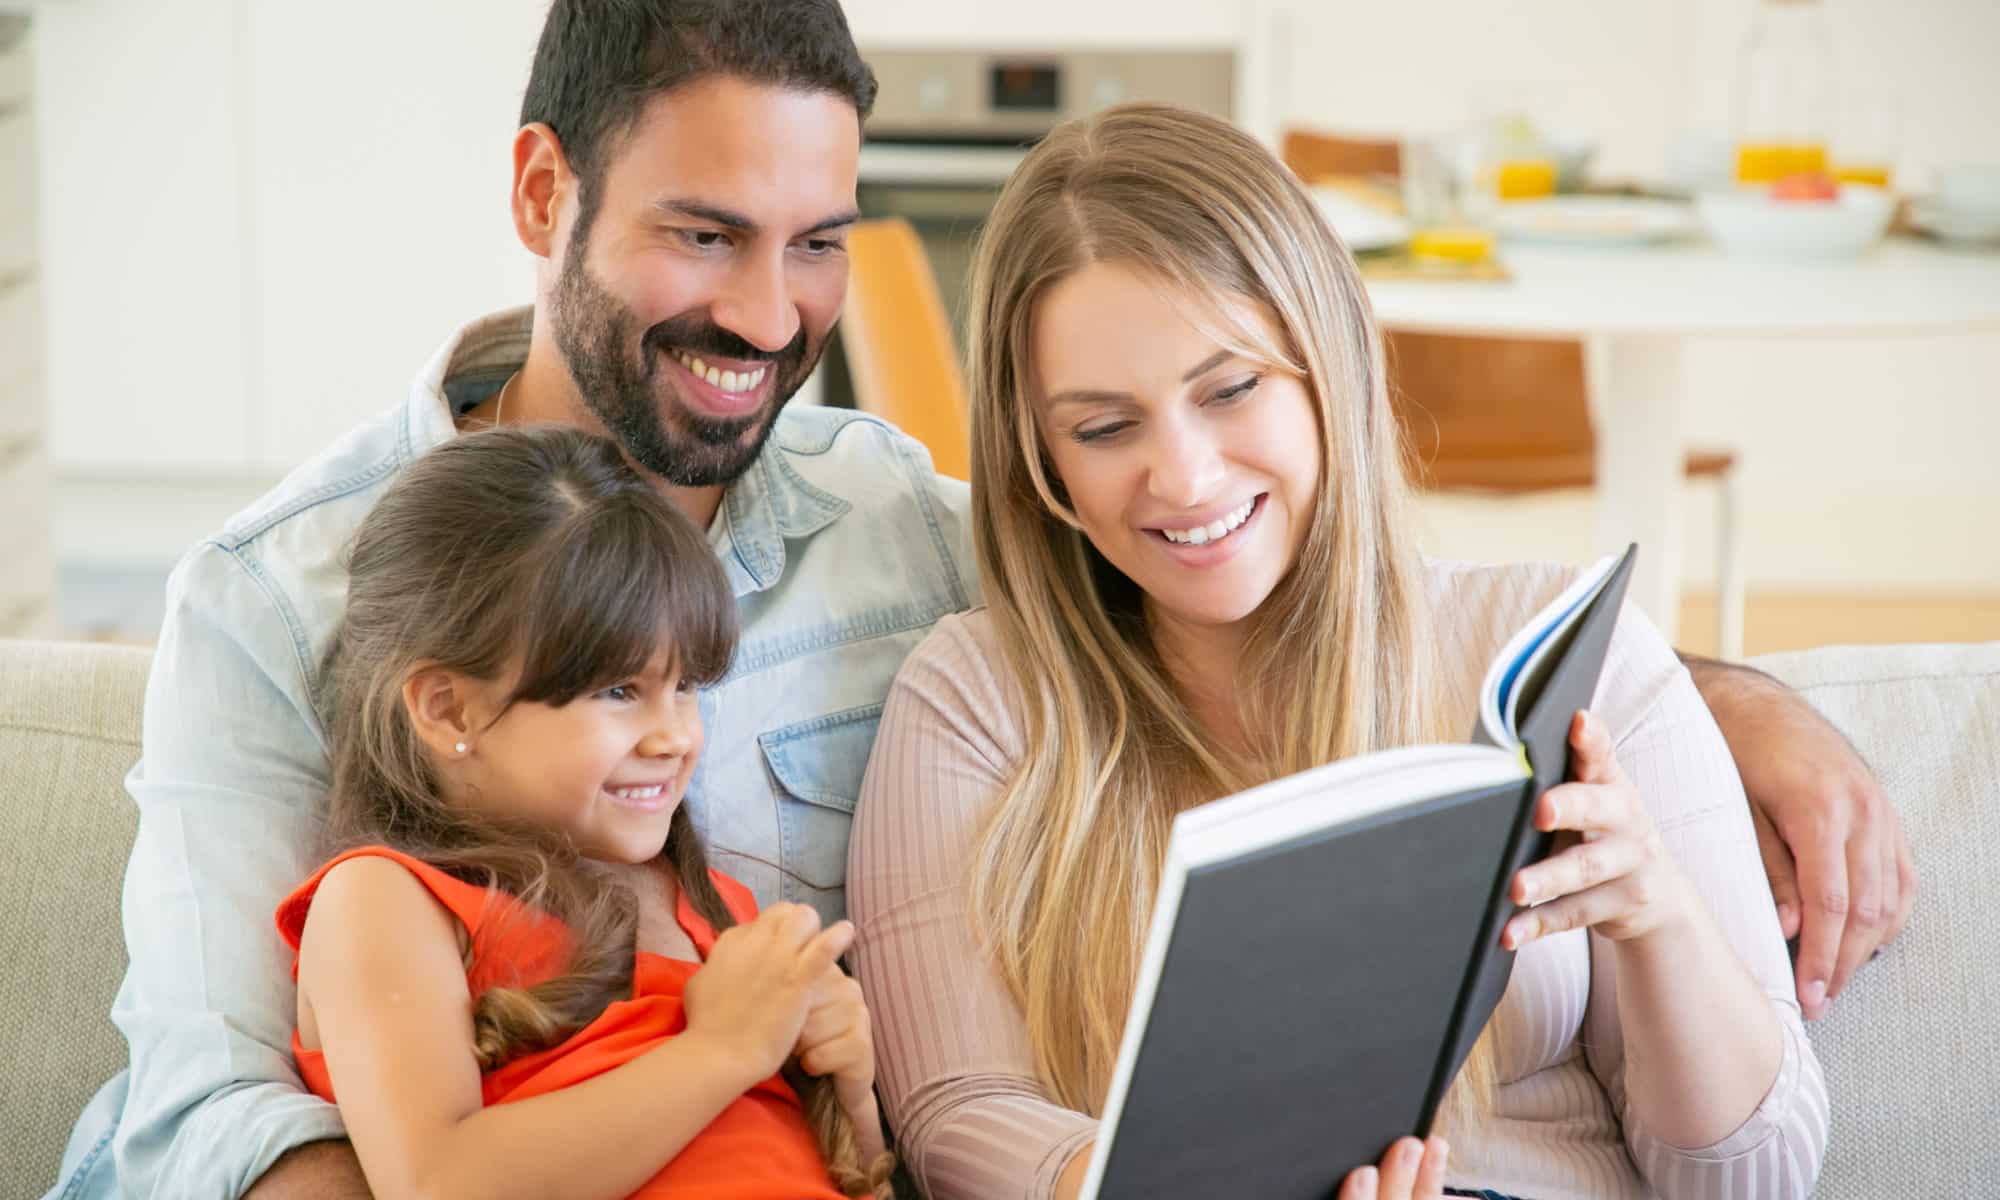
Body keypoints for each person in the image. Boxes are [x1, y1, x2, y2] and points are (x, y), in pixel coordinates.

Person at [46, 2, 1900, 1196]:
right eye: (702, 235)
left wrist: (1721, 695)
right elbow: (226, 1118)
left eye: (818, 246)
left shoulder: (889, 518)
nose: (770, 320)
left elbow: (1213, 561)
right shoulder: (280, 597)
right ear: (544, 193)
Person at [848, 103, 1829, 1200]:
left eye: (1229, 390)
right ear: (1040, 461)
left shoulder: (1572, 659)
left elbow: (1757, 1178)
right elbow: (951, 1114)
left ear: (1328, 367)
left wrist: (1653, 916)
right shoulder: (978, 697)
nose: (1183, 478)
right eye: (1103, 428)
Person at [286, 425, 891, 1197]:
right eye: (617, 692)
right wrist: (721, 1049)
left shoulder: (711, 905)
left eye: (685, 687)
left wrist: (846, 1091)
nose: (674, 737)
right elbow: (436, 1182)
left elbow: (833, 1171)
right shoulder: (383, 902)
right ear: (448, 710)